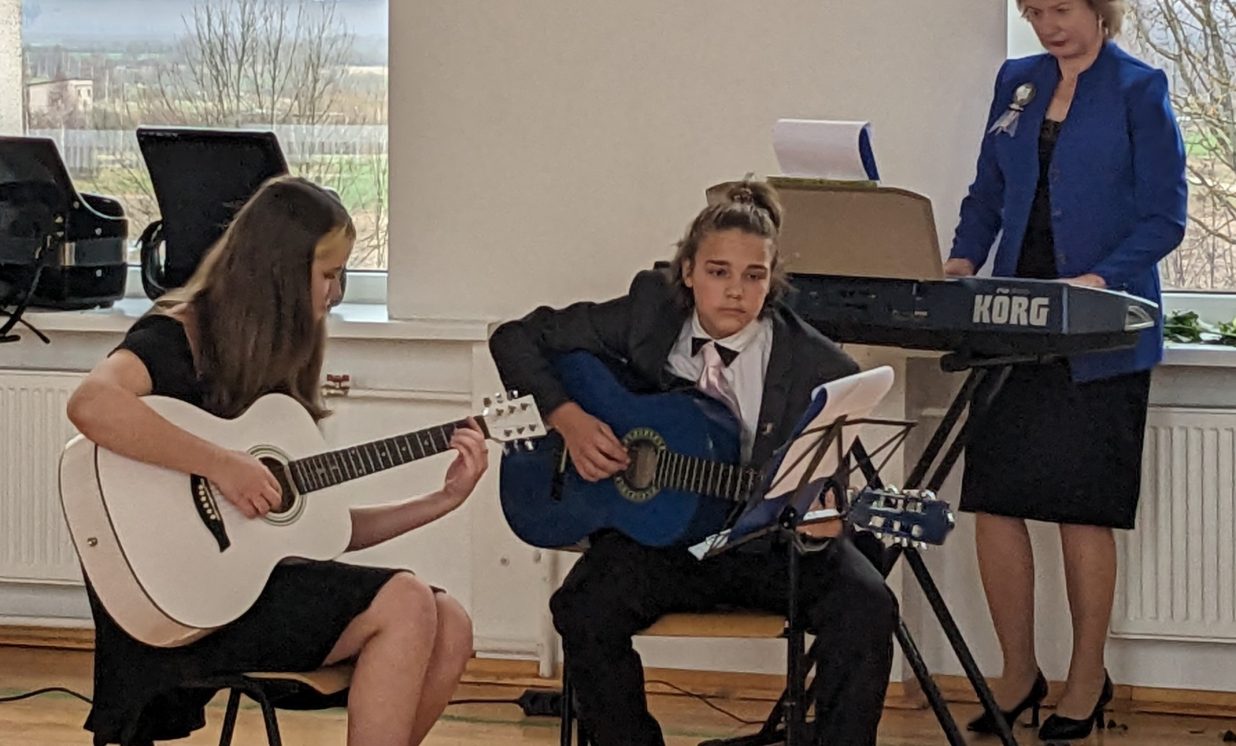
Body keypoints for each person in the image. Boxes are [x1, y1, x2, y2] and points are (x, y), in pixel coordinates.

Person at [66, 176, 488, 746]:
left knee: (451, 623)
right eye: (328, 275)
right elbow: (91, 404)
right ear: (282, 274)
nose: (335, 294)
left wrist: (443, 499)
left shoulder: (276, 366)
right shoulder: (176, 336)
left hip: (253, 590)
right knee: (406, 599)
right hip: (182, 599)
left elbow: (321, 531)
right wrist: (221, 464)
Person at [488, 178, 897, 746]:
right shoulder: (648, 315)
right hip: (663, 542)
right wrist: (568, 418)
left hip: (768, 548)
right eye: (718, 271)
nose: (735, 291)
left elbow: (826, 486)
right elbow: (514, 338)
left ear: (772, 280)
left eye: (754, 276)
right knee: (584, 608)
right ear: (687, 272)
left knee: (867, 605)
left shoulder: (821, 367)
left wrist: (823, 524)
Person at [946, 0, 1187, 740]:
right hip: (1013, 323)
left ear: (1099, 8)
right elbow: (988, 193)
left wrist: (1100, 279)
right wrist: (961, 259)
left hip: (1101, 329)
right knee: (995, 501)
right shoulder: (1017, 81)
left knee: (1083, 508)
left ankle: (1086, 678)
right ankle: (1019, 672)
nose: (1048, 25)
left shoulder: (1140, 88)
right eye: (1035, 10)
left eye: (1062, 9)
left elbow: (1165, 216)